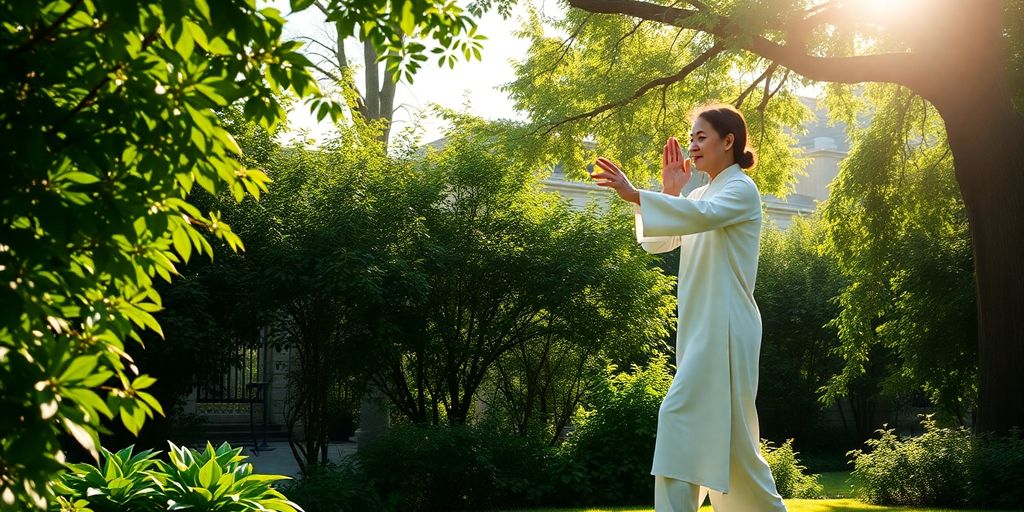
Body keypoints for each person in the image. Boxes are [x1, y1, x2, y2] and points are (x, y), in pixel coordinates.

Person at [589, 103, 787, 512]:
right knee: (734, 450)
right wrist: (668, 194)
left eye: (702, 137)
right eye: (691, 137)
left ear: (728, 141)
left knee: (678, 419)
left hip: (727, 329)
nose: (693, 146)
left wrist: (634, 193)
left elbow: (704, 216)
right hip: (703, 329)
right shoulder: (698, 194)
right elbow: (658, 242)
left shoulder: (740, 189)